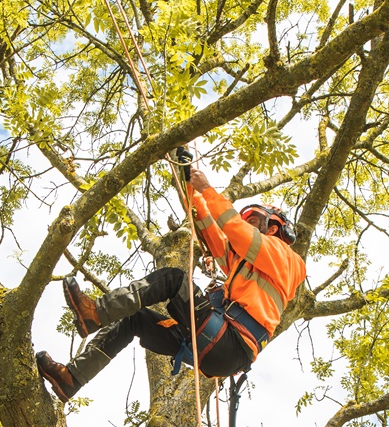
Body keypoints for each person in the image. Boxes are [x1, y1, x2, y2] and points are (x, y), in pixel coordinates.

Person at [36, 166, 307, 402]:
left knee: (174, 280)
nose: (248, 226)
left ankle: (96, 313)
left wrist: (208, 189)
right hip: (214, 345)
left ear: (273, 228)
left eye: (255, 222)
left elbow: (235, 230)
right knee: (134, 320)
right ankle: (71, 378)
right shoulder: (249, 263)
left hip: (230, 342)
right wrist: (191, 187)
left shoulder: (288, 259)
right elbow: (214, 236)